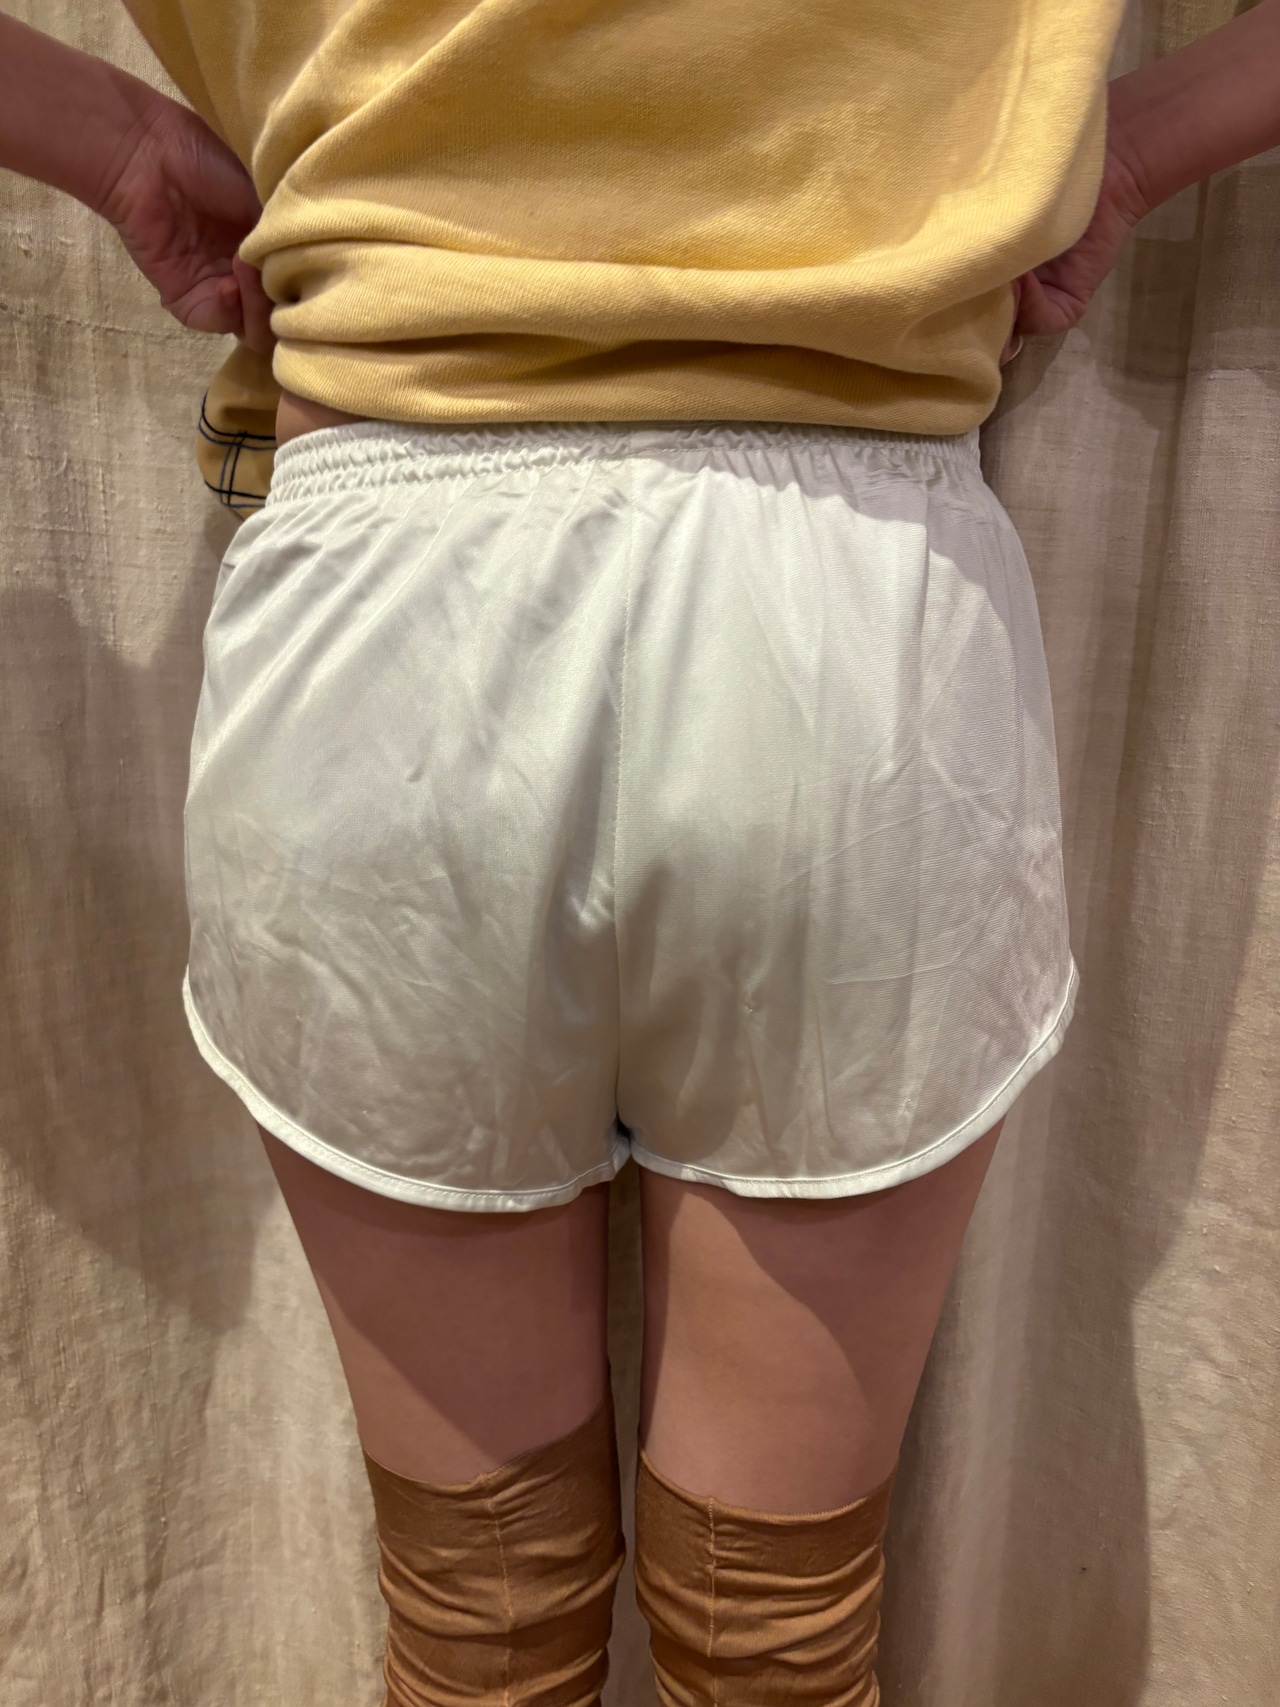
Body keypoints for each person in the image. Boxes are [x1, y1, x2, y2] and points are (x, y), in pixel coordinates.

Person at [3, 5, 1278, 1703]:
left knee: (480, 1621)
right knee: (778, 1638)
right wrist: (1123, 150)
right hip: (855, 622)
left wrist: (121, 141)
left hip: (388, 614)